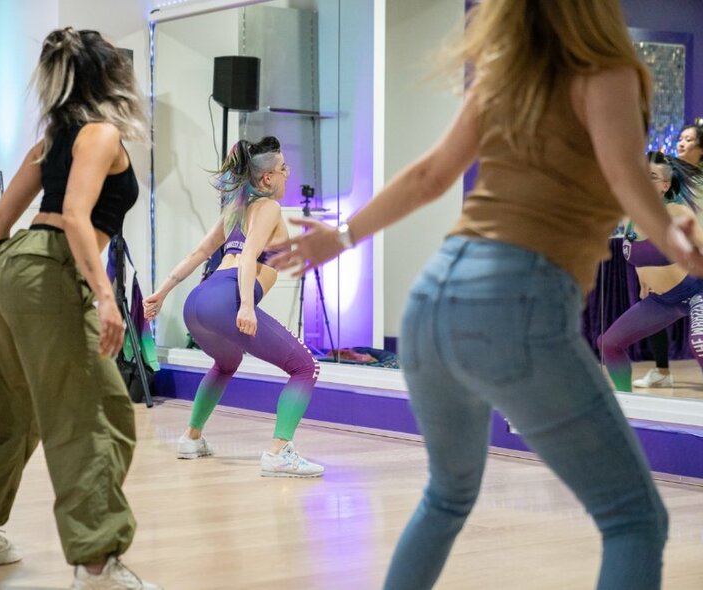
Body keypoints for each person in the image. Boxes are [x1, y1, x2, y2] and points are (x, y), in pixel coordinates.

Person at [271, 1, 703, 588]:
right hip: (517, 301)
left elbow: (430, 175)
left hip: (432, 303)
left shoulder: (507, 73)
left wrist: (344, 236)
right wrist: (681, 244)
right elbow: (628, 180)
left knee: (447, 497)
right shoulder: (607, 71)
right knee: (635, 518)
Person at [0, 28, 159, 590]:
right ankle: (96, 567)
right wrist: (107, 297)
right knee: (96, 416)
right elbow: (75, 215)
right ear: (111, 74)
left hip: (7, 271)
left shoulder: (52, 139)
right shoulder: (101, 133)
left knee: (14, 414)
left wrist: (2, 287)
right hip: (51, 272)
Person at [142, 137, 323, 478]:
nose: (288, 174)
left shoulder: (234, 211)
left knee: (227, 362)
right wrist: (246, 308)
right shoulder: (269, 208)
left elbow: (197, 254)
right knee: (305, 367)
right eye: (284, 169)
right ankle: (279, 452)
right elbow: (250, 256)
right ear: (267, 178)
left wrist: (162, 292)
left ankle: (191, 438)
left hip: (197, 303)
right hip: (227, 299)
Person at [601, 152, 703, 391]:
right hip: (663, 301)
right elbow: (637, 256)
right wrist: (644, 283)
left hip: (696, 292)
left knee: (700, 344)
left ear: (665, 186)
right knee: (609, 344)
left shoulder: (678, 213)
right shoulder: (629, 216)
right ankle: (627, 403)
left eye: (653, 176)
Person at [634, 123, 703, 388]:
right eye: (681, 138)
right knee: (655, 299)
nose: (682, 143)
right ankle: (662, 371)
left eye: (689, 139)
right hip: (675, 253)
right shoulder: (668, 171)